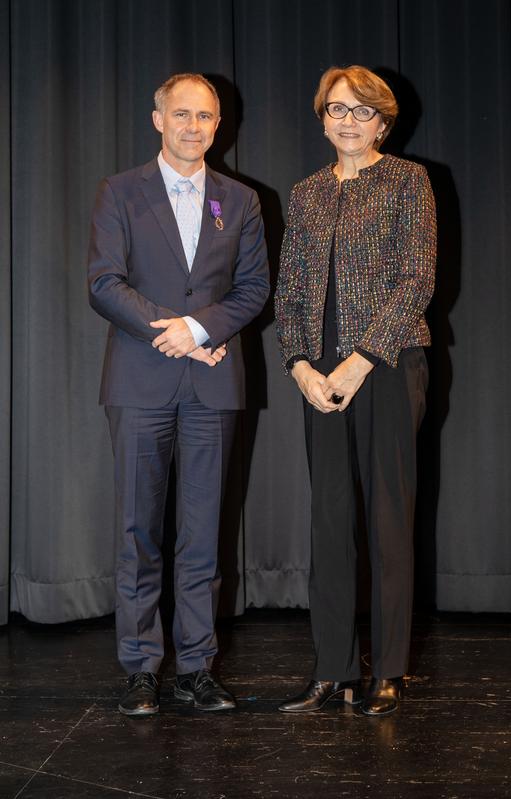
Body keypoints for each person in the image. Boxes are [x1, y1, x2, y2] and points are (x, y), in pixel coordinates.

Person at [88, 73, 269, 716]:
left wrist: (200, 330)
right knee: (139, 531)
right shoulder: (120, 192)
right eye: (182, 115)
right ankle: (141, 669)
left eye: (207, 117)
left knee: (202, 534)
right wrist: (178, 332)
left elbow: (252, 290)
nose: (195, 127)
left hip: (213, 385)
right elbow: (104, 284)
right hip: (139, 382)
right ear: (158, 118)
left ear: (219, 125)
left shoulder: (240, 200)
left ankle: (196, 667)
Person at [274, 65, 436, 715]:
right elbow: (289, 289)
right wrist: (299, 365)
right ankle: (332, 669)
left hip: (389, 367)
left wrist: (361, 359)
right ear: (321, 117)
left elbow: (415, 277)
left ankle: (388, 669)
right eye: (336, 109)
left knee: (388, 517)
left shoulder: (407, 181)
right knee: (329, 520)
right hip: (318, 377)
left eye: (361, 111)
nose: (347, 120)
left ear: (382, 122)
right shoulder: (306, 191)